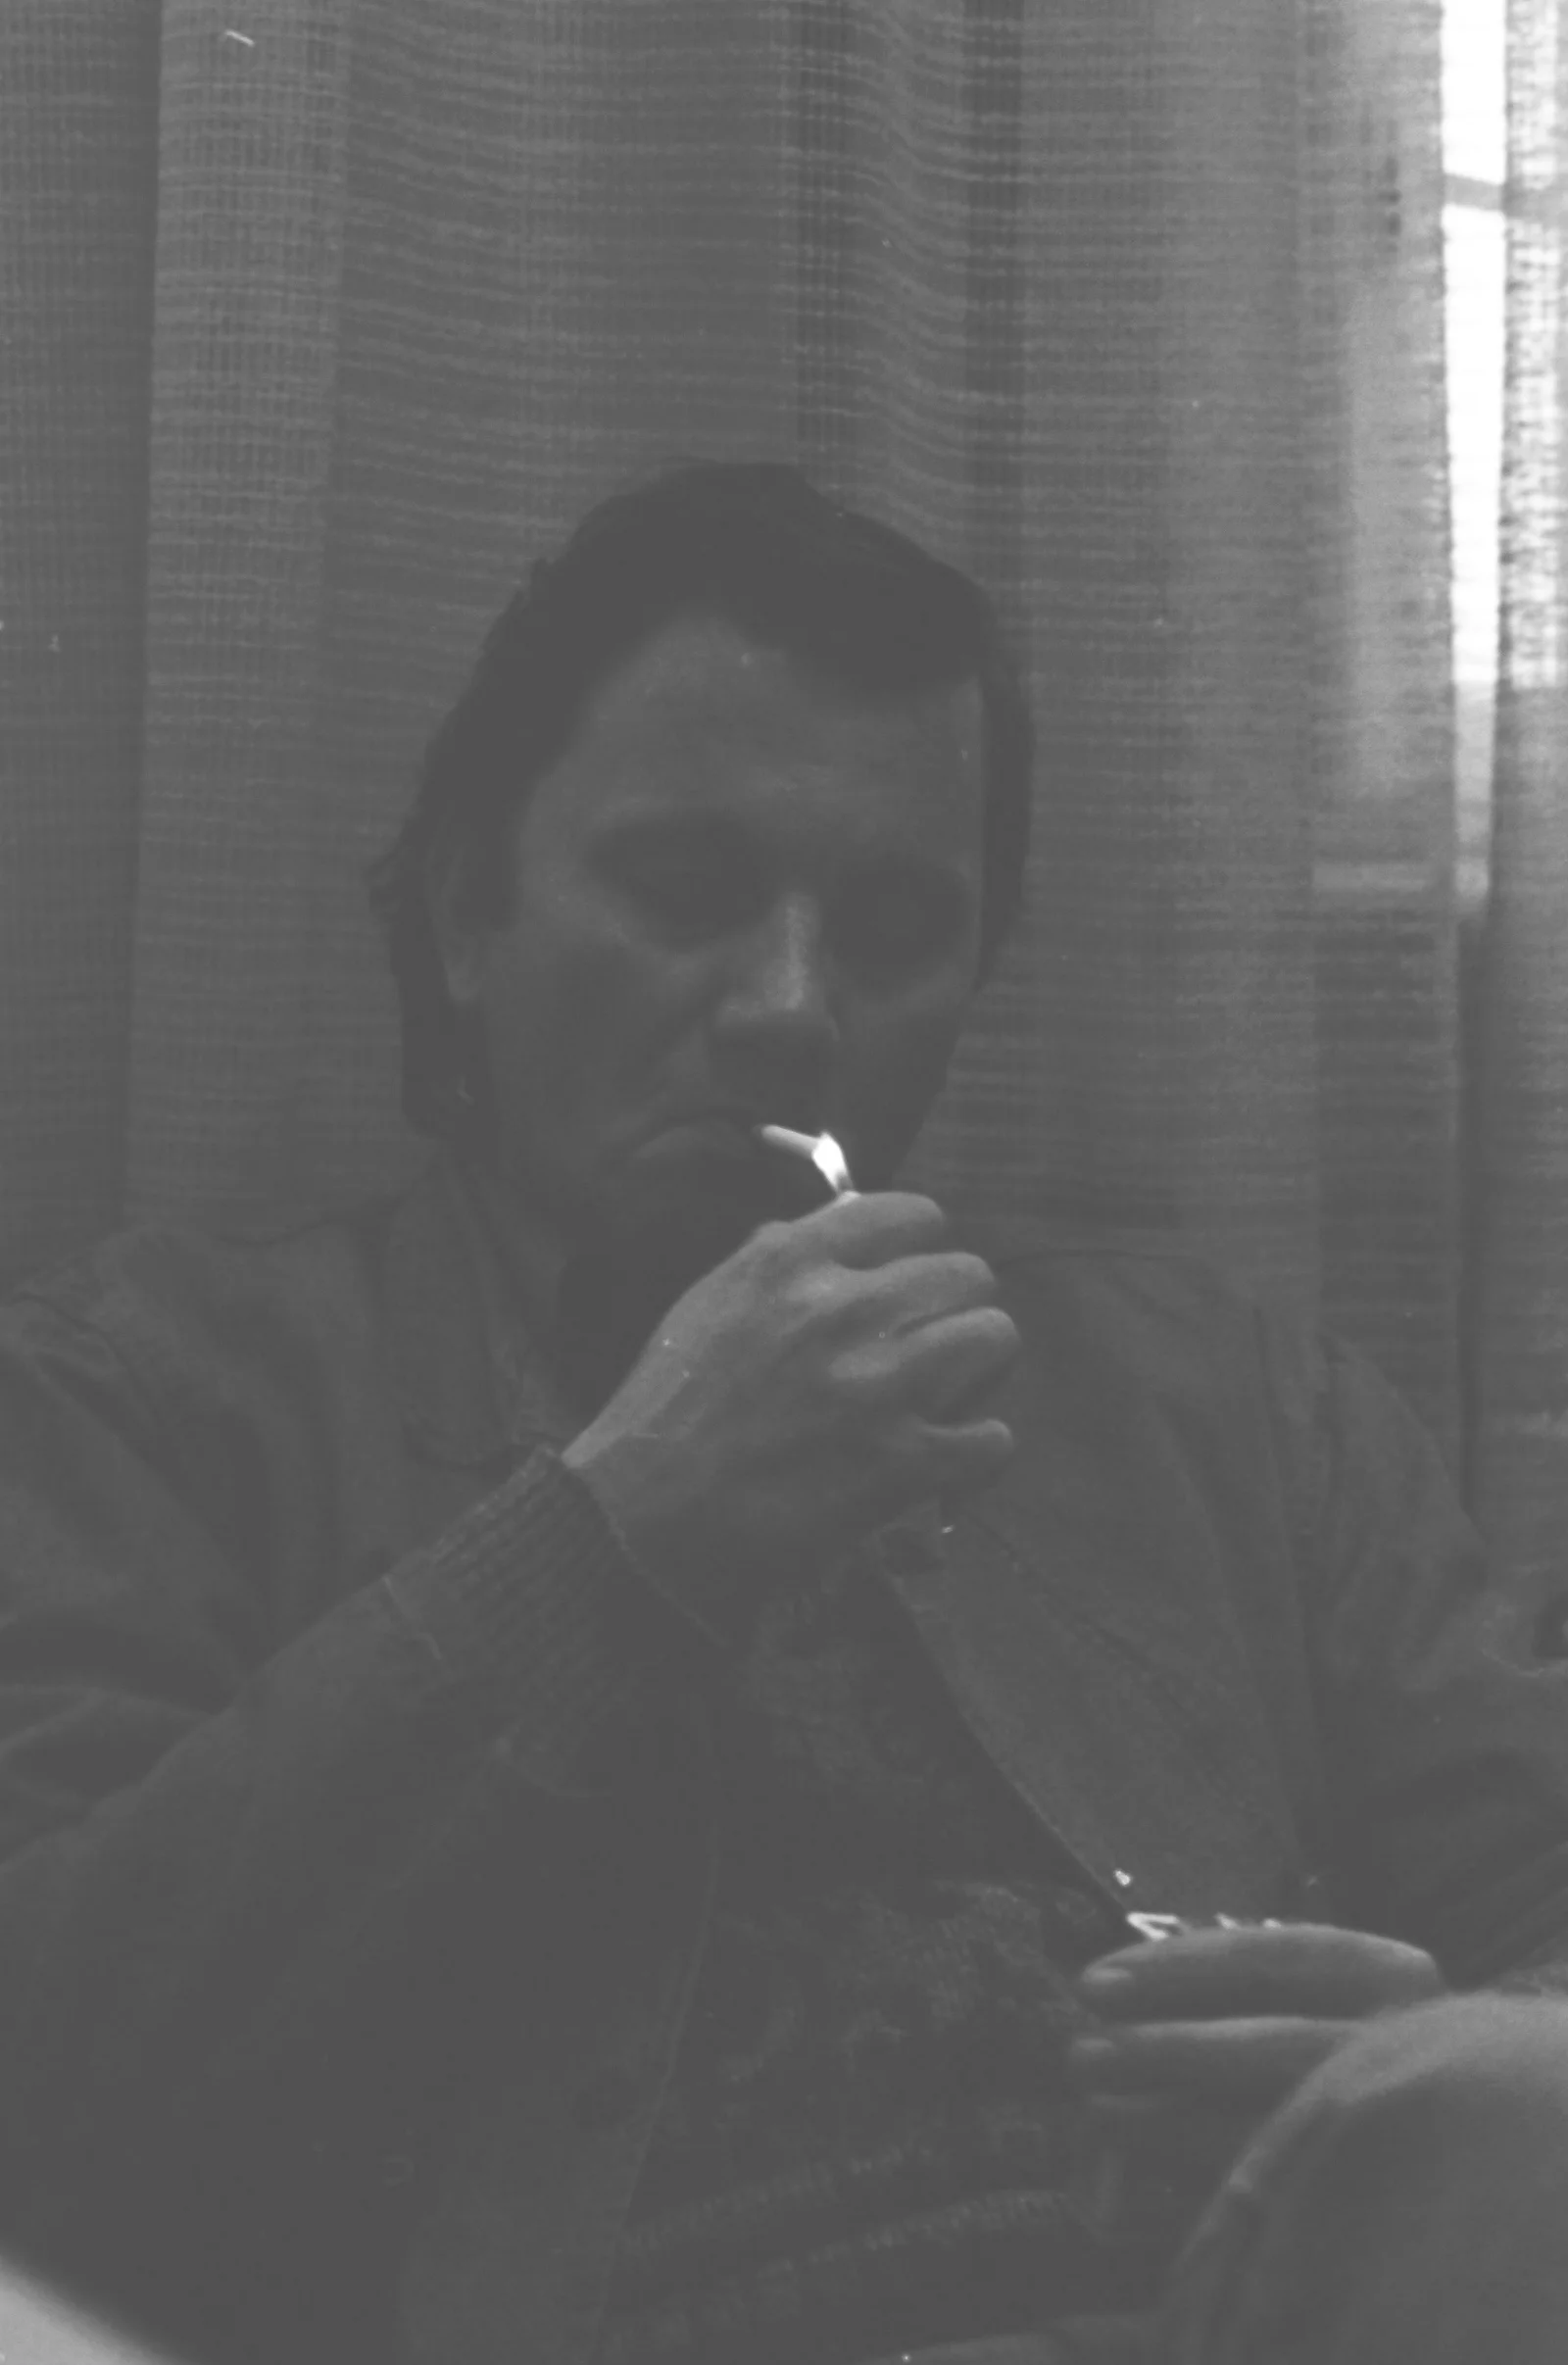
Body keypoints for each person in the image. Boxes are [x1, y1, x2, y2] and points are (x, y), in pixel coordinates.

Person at [0, 462, 1565, 2365]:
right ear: (468, 919)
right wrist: (618, 1538)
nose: (794, 1007)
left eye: (896, 930)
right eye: (686, 893)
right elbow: (47, 2081)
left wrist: (1411, 2085)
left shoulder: (1231, 1412)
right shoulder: (153, 1404)